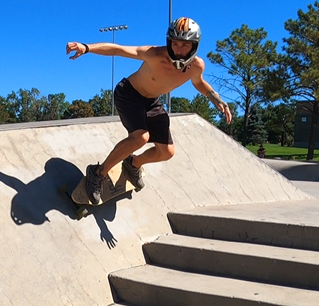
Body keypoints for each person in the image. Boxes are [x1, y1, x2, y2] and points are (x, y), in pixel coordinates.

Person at [66, 17, 233, 204]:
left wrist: (215, 99)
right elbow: (118, 49)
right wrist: (87, 47)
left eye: (184, 45)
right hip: (129, 94)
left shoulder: (196, 66)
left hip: (152, 102)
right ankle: (97, 173)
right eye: (175, 43)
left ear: (194, 46)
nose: (178, 50)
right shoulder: (154, 54)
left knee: (167, 152)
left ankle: (133, 164)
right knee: (141, 137)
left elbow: (199, 82)